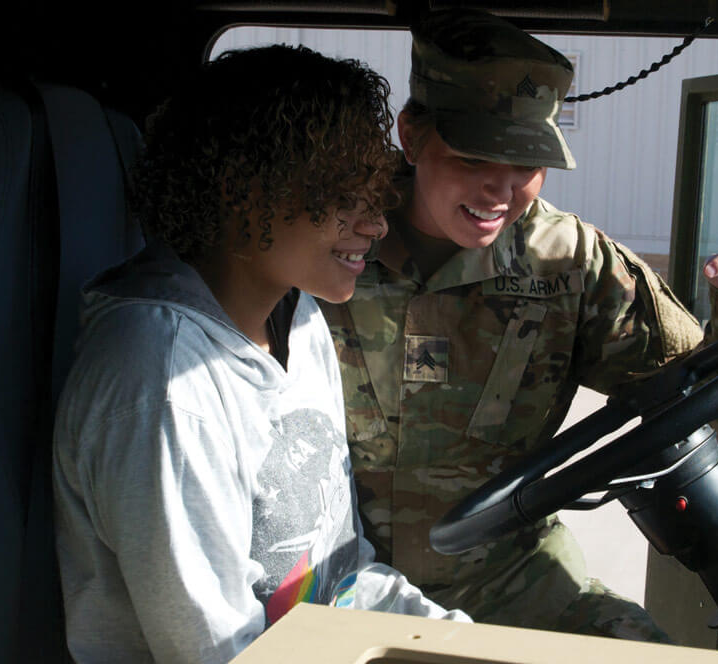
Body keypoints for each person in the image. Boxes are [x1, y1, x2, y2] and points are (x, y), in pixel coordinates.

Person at [319, 8, 718, 643]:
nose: (501, 189)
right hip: (340, 581)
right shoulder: (327, 236)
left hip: (510, 582)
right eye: (475, 156)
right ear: (412, 134)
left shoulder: (570, 265)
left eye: (527, 163)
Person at [52, 44, 468, 664]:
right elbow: (218, 654)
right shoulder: (162, 384)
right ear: (244, 191)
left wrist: (455, 641)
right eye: (339, 195)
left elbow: (343, 573)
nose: (376, 224)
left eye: (371, 191)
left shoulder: (297, 317)